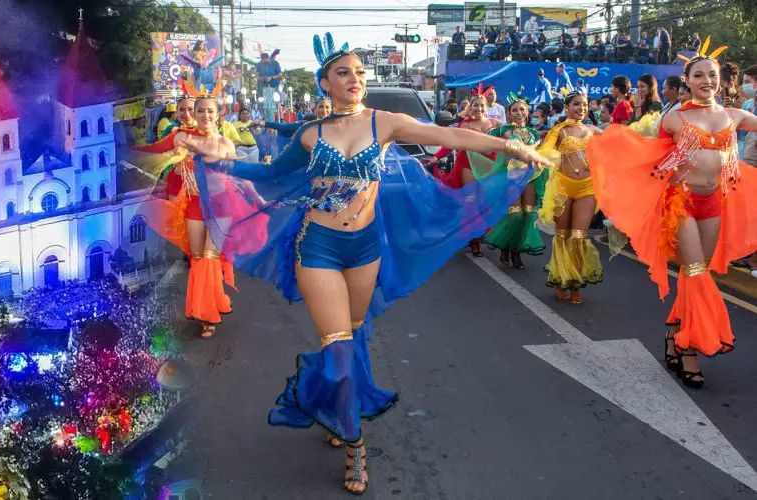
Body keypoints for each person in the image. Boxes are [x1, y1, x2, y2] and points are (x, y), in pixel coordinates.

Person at [183, 33, 551, 495]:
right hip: (316, 247)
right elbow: (272, 175)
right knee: (337, 346)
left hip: (365, 250)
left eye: (360, 72)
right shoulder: (311, 134)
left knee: (354, 337)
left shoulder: (386, 122)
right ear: (325, 84)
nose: (355, 79)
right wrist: (223, 163)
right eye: (344, 72)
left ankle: (340, 407)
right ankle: (356, 443)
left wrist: (514, 149)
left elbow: (452, 135)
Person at [587, 51, 757, 389]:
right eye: (699, 76)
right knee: (694, 271)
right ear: (688, 81)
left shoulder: (734, 115)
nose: (706, 81)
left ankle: (674, 334)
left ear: (721, 80)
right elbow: (650, 155)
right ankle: (689, 347)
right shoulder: (673, 119)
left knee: (699, 273)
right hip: (681, 203)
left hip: (715, 202)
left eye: (712, 75)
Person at [135, 83, 266, 338]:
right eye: (200, 111)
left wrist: (259, 199)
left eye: (210, 111)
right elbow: (163, 156)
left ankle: (208, 318)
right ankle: (206, 304)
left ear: (219, 115)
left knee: (209, 256)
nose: (205, 115)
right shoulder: (186, 139)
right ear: (193, 114)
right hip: (194, 204)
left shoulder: (226, 144)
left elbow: (240, 177)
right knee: (196, 257)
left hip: (221, 206)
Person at [538, 91, 604, 304]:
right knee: (563, 235)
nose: (581, 108)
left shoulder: (594, 131)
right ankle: (561, 278)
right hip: (563, 187)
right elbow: (545, 153)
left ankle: (575, 283)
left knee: (579, 236)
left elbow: (619, 145)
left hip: (587, 187)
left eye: (585, 105)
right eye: (576, 104)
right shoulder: (558, 131)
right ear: (567, 108)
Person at [424, 92, 502, 256]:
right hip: (467, 163)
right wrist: (436, 156)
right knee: (473, 199)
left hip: (489, 166)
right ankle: (475, 241)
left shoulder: (496, 123)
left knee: (486, 203)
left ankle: (473, 232)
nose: (479, 108)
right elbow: (451, 143)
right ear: (470, 108)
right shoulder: (464, 125)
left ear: (486, 107)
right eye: (475, 105)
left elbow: (508, 141)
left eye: (481, 105)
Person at [483, 94, 546, 269]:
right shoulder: (502, 130)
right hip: (510, 176)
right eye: (515, 110)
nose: (519, 113)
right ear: (509, 114)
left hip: (530, 177)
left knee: (527, 215)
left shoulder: (534, 133)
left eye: (522, 109)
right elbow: (484, 142)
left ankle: (516, 252)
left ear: (527, 112)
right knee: (515, 214)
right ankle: (505, 246)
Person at [256, 51, 283, 121]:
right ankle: (264, 118)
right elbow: (257, 76)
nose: (264, 63)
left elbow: (280, 74)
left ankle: (280, 118)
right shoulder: (259, 65)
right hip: (263, 87)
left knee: (276, 102)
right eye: (263, 61)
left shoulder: (275, 63)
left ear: (268, 58)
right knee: (265, 104)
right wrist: (262, 78)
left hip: (274, 85)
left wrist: (272, 77)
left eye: (265, 61)